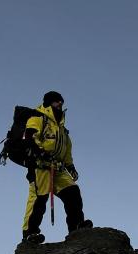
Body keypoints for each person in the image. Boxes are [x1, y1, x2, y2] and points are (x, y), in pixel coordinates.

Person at [21, 91, 90, 243]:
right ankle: (30, 233)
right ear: (48, 103)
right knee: (39, 197)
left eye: (61, 101)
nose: (60, 103)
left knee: (72, 192)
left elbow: (66, 150)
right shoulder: (38, 117)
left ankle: (77, 228)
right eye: (56, 101)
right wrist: (41, 153)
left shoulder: (62, 129)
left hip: (57, 168)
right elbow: (29, 138)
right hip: (40, 166)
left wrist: (71, 167)